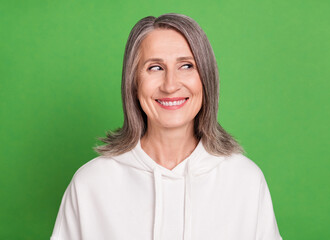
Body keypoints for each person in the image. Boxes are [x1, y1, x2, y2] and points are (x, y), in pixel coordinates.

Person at [51, 13, 282, 240]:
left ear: (206, 79)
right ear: (133, 82)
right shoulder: (91, 184)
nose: (170, 85)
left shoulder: (245, 180)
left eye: (187, 66)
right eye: (155, 68)